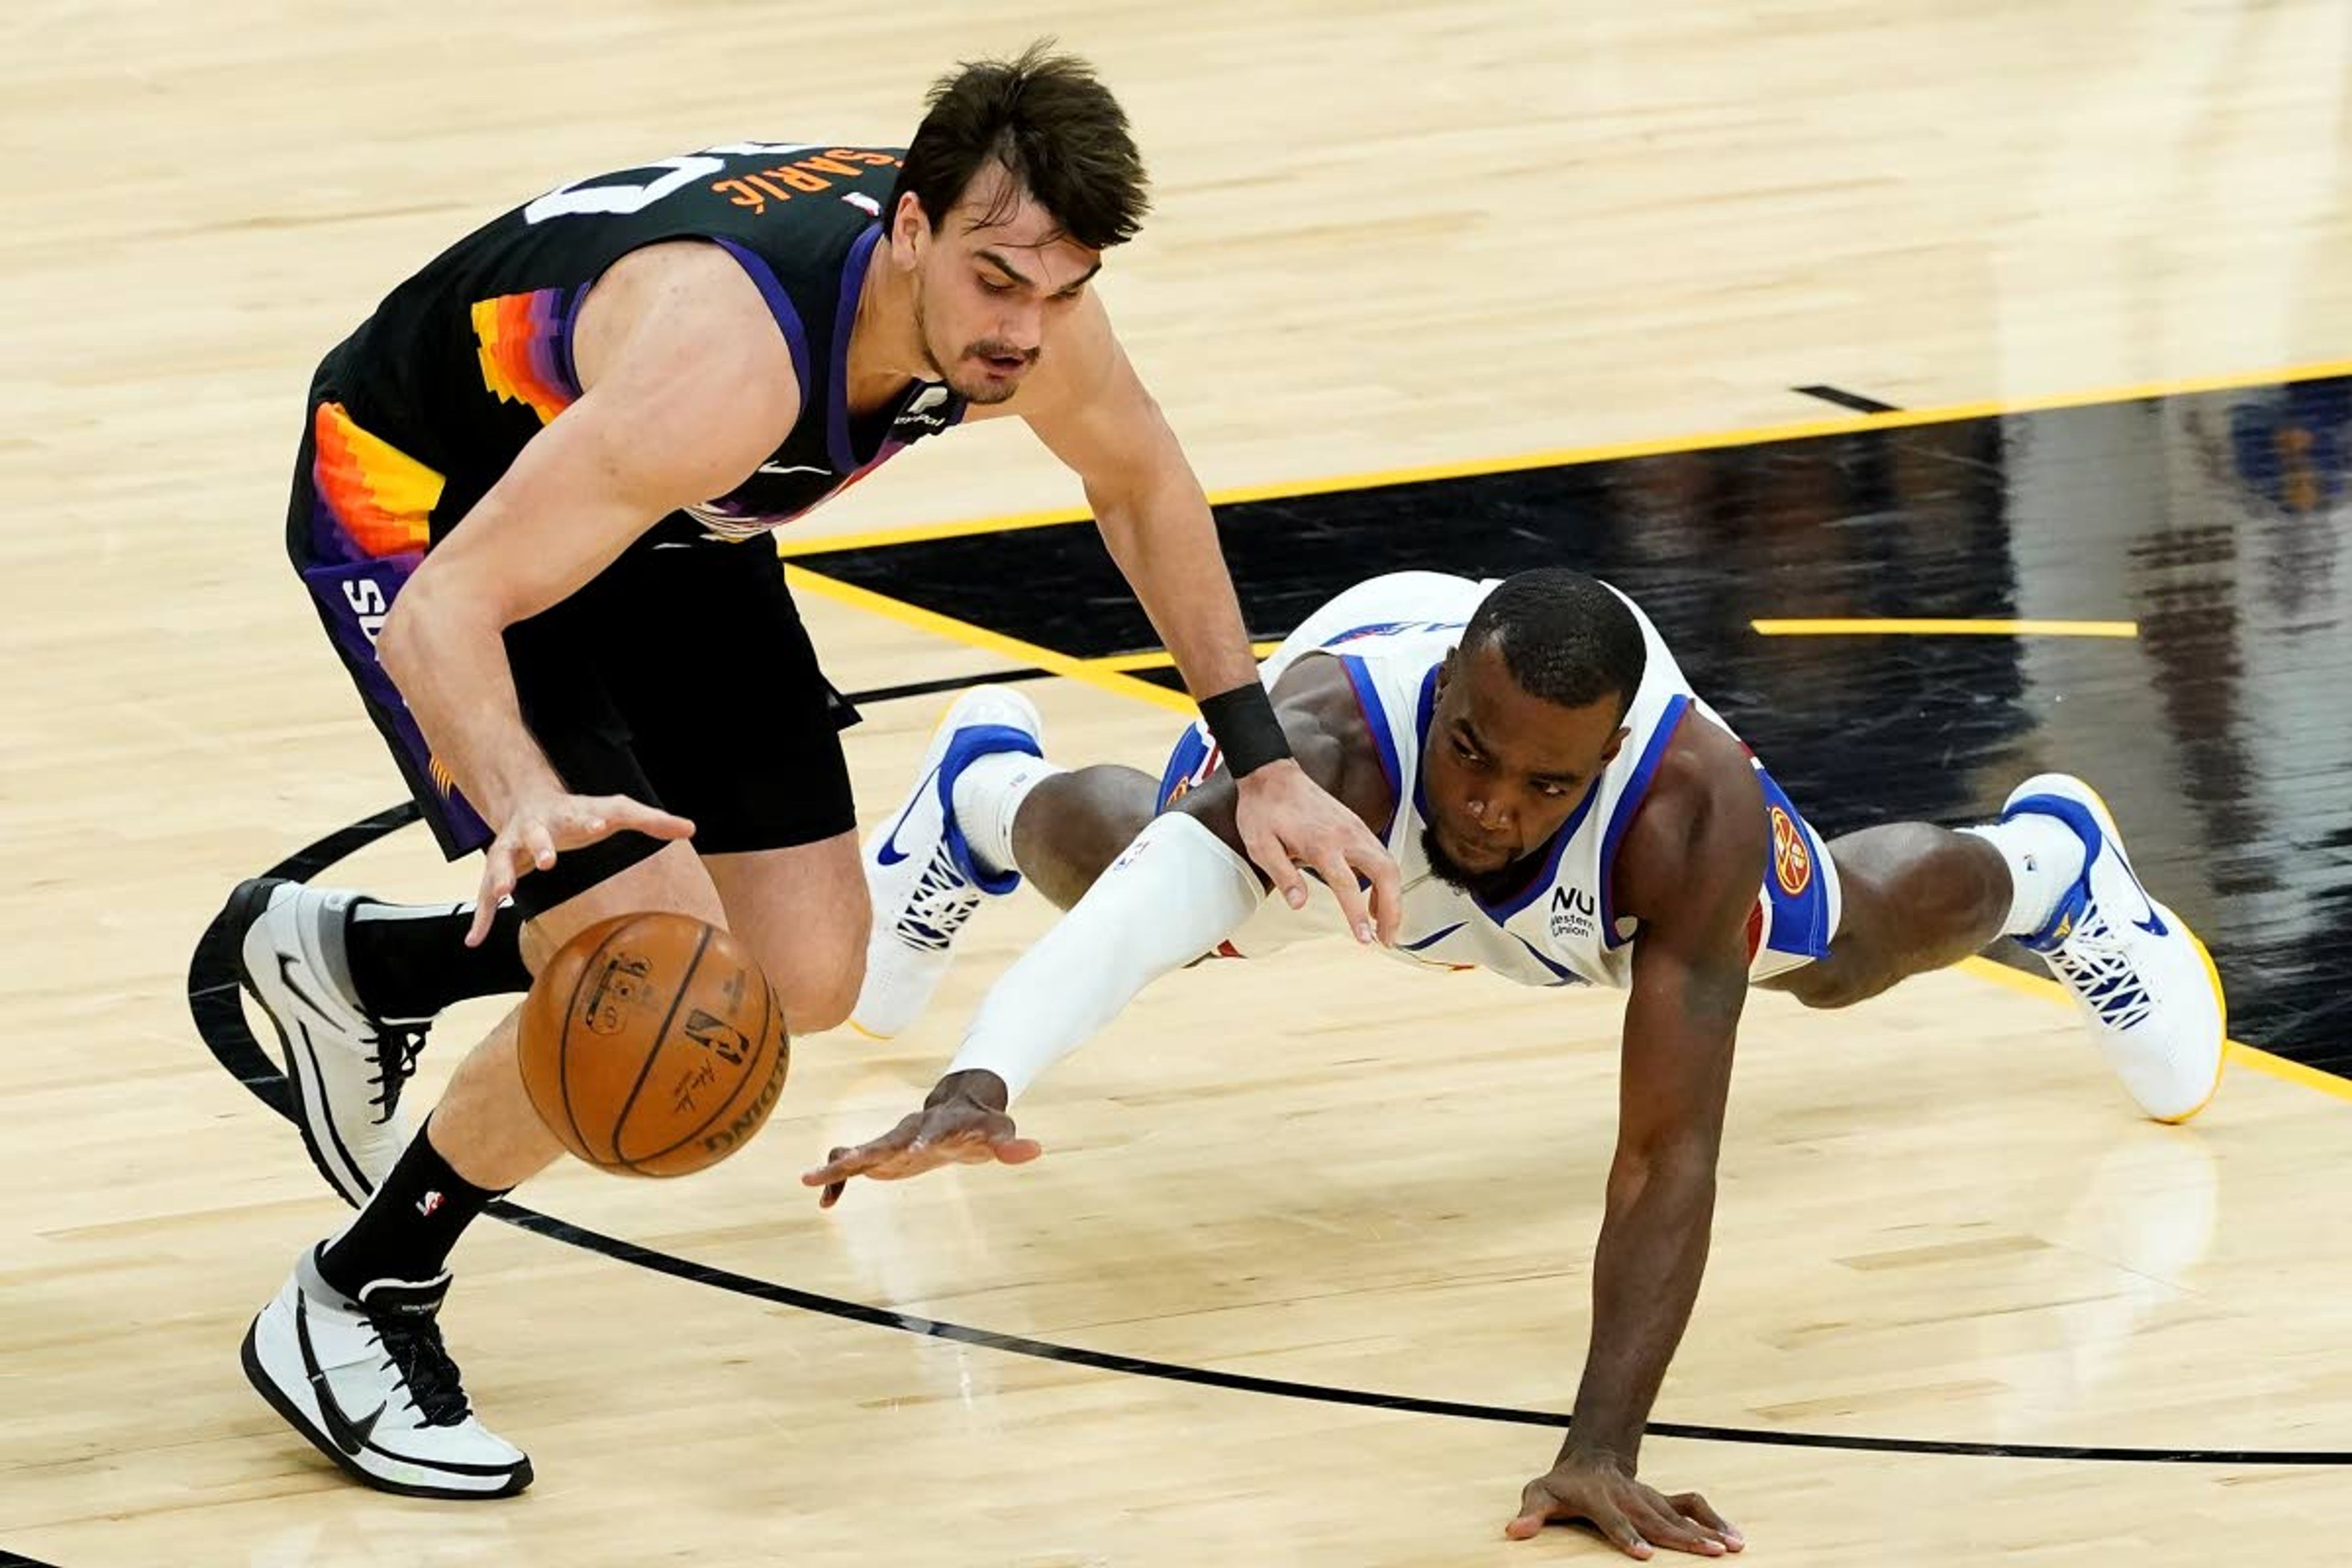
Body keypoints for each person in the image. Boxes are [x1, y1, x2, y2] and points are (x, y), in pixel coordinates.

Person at [230, 43, 1398, 1499]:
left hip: (661, 514)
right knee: (638, 968)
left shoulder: (1019, 299)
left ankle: (368, 968)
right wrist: (522, 799)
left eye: (1062, 290)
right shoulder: (732, 359)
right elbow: (445, 614)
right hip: (425, 498)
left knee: (799, 974)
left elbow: (1141, 480)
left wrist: (1263, 761)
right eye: (995, 282)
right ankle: (358, 1293)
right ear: (909, 227)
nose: (1027, 330)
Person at [805, 567, 2228, 1559]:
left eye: (1545, 781)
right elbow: (1136, 917)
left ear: (1608, 757)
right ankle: (980, 796)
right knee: (1146, 877)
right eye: (1476, 755)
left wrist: (1601, 1442)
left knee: (1847, 948)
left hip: (1635, 851)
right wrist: (986, 1073)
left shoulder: (1690, 804)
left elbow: (1668, 1149)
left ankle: (2058, 870)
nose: (1491, 805)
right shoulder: (1338, 748)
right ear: (1446, 707)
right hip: (1352, 782)